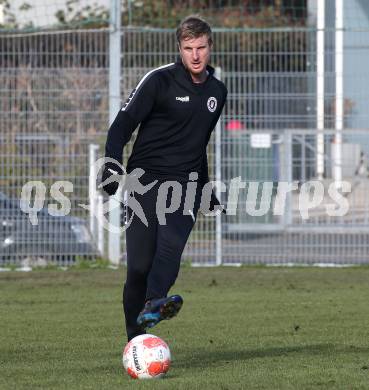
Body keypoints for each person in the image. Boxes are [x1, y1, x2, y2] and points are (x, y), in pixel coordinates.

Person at [100, 15, 228, 341]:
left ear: (210, 47)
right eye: (189, 48)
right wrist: (112, 165)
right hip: (144, 181)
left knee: (171, 246)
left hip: (184, 185)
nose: (195, 55)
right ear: (180, 49)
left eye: (201, 47)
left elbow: (198, 145)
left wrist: (206, 188)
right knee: (139, 268)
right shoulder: (159, 81)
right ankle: (135, 339)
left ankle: (154, 301)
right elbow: (120, 128)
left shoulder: (217, 92)